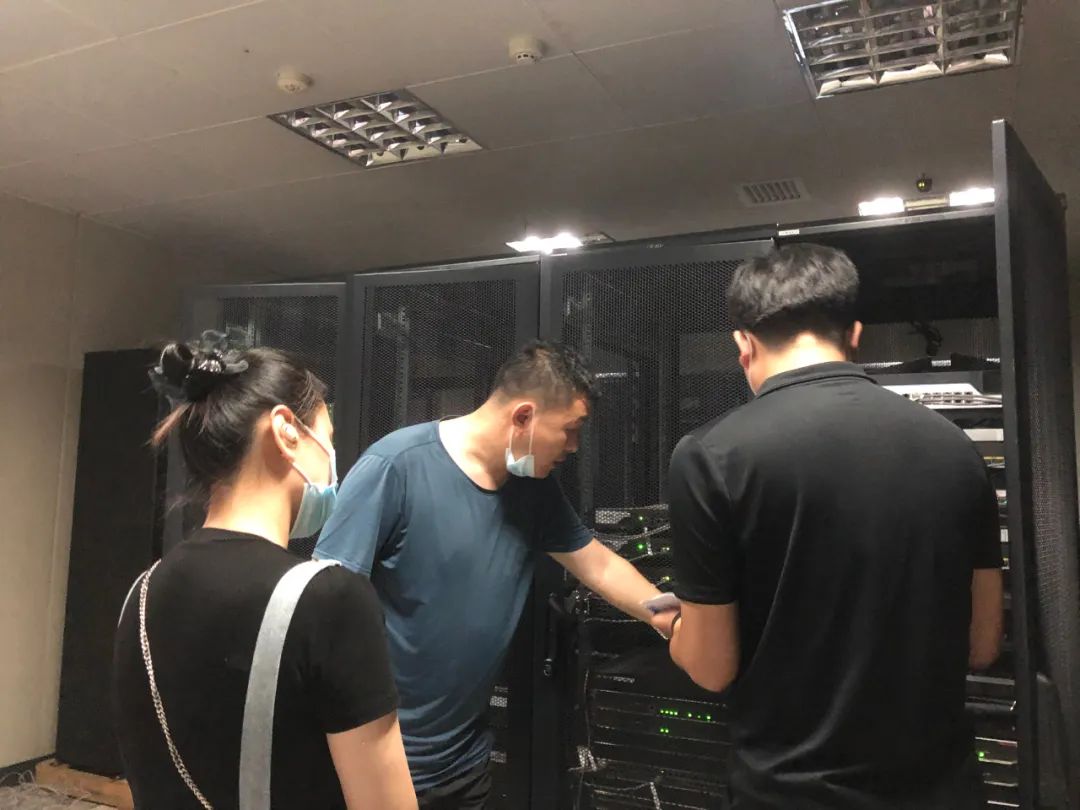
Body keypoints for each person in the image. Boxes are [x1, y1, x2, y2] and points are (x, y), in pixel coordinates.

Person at [665, 244, 1004, 809]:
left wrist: (679, 628)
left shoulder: (710, 455)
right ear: (854, 336)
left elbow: (712, 668)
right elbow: (982, 643)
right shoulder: (955, 448)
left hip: (790, 794)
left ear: (743, 344)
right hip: (941, 790)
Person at [314, 340, 676, 809]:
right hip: (381, 762)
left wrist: (670, 617)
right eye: (569, 430)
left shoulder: (533, 488)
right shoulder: (396, 466)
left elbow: (599, 564)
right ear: (523, 416)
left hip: (465, 763)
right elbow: (326, 605)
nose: (573, 446)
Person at [112, 334, 417, 810]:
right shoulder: (331, 600)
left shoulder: (141, 592)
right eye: (328, 439)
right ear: (287, 432)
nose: (333, 464)